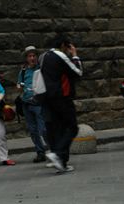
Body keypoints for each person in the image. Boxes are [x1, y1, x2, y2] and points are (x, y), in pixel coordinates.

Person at [39, 34, 83, 173]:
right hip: (62, 98)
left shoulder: (43, 56)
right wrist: (75, 56)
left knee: (59, 129)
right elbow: (78, 73)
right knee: (72, 128)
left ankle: (61, 162)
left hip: (48, 98)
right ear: (64, 45)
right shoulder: (60, 56)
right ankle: (57, 154)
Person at [17, 46, 48, 163]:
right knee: (32, 130)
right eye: (30, 56)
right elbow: (19, 84)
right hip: (26, 103)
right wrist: (20, 87)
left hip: (39, 103)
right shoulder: (23, 71)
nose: (32, 58)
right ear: (26, 58)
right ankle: (40, 152)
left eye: (34, 55)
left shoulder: (41, 69)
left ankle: (54, 149)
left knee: (43, 129)